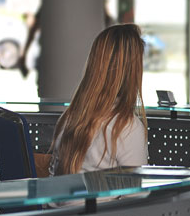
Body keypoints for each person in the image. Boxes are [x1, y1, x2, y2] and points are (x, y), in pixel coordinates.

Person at [49, 24, 148, 175]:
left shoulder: (69, 117)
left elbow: (52, 179)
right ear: (133, 71)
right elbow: (136, 195)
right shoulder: (127, 127)